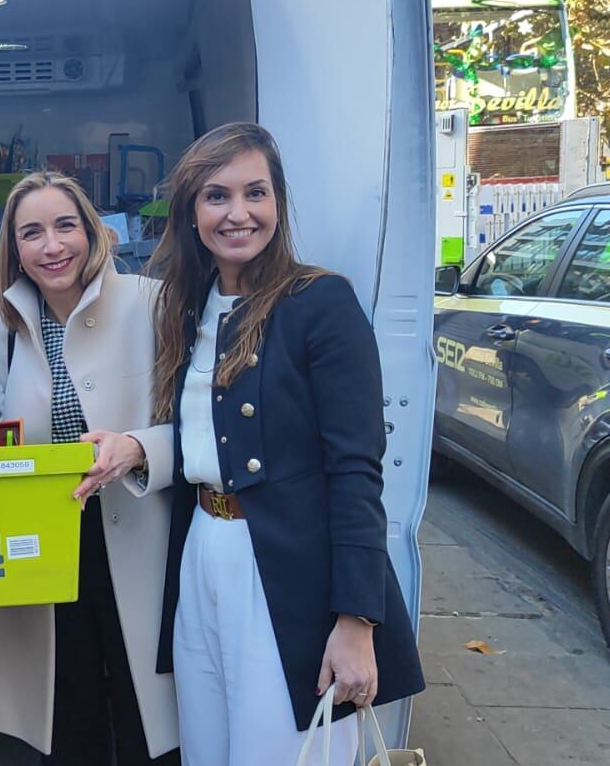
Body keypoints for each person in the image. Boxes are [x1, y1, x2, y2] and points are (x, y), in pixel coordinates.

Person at [145, 123, 424, 765]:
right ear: (191, 212)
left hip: (287, 573)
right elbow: (194, 442)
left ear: (279, 202)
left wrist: (357, 621)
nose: (238, 213)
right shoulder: (187, 308)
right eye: (217, 196)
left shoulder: (319, 301)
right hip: (202, 558)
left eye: (256, 193)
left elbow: (357, 470)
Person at [0, 172, 180, 765]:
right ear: (14, 248)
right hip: (45, 547)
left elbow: (198, 422)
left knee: (150, 722)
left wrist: (140, 448)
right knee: (68, 717)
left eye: (65, 225)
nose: (52, 246)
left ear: (92, 232)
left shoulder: (152, 302)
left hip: (140, 538)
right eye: (32, 232)